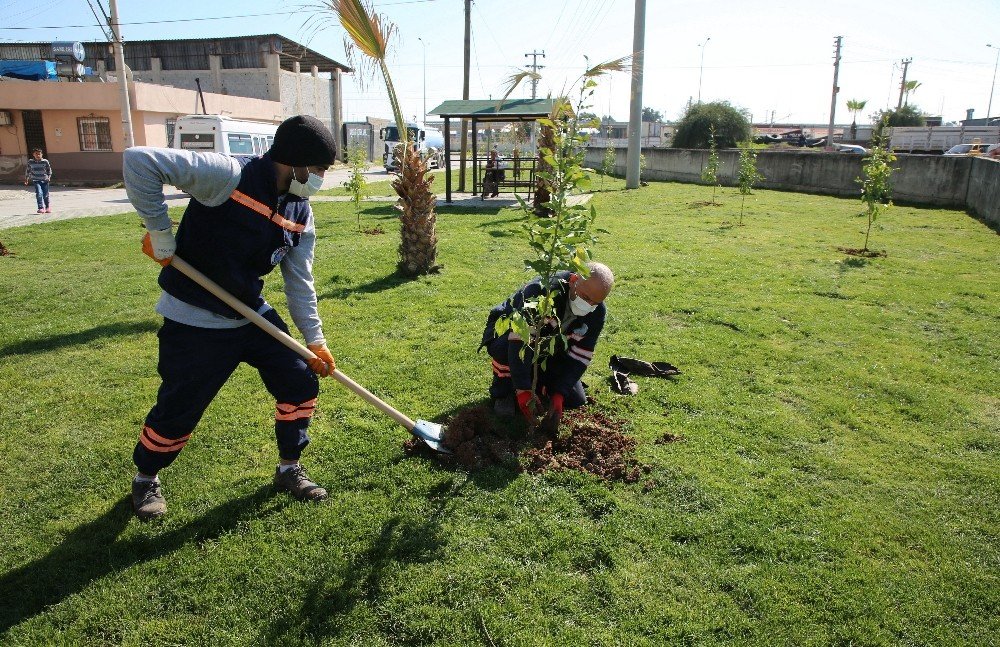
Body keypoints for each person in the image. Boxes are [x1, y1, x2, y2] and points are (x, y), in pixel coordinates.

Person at [124, 115, 339, 520]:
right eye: (320, 170)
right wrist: (161, 231)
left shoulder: (300, 210)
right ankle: (145, 478)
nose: (321, 178)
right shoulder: (229, 176)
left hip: (248, 314)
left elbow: (299, 281)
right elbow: (139, 161)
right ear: (296, 163)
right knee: (179, 407)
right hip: (194, 317)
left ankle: (289, 468)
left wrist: (315, 340)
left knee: (299, 377)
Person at [480, 262, 614, 424]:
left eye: (595, 302)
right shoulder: (541, 292)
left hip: (549, 344)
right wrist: (523, 388)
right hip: (510, 335)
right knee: (505, 347)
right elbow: (520, 340)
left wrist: (560, 394)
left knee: (575, 399)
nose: (589, 306)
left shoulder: (597, 312)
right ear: (573, 280)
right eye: (586, 298)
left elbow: (581, 354)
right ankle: (504, 390)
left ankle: (537, 383)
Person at [24, 148, 52, 214]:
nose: (38, 155)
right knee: (39, 193)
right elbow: (28, 170)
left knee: (45, 194)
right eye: (36, 154)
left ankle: (47, 207)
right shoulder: (30, 162)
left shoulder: (45, 161)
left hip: (45, 180)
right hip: (36, 180)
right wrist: (26, 178)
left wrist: (49, 177)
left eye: (39, 154)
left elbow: (49, 170)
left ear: (42, 154)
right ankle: (40, 208)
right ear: (33, 154)